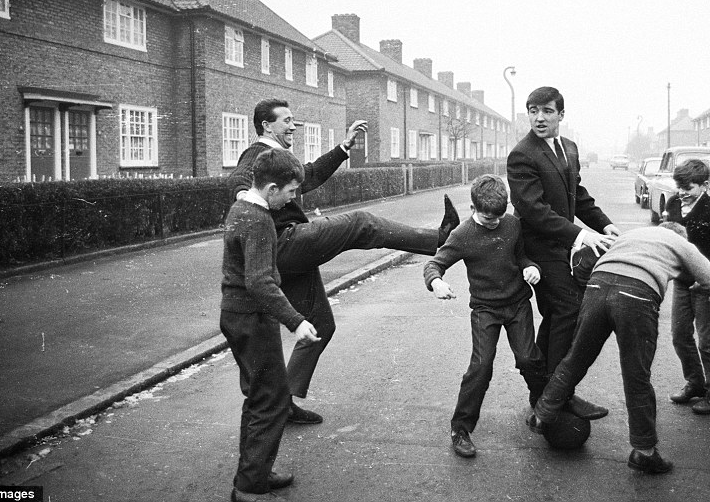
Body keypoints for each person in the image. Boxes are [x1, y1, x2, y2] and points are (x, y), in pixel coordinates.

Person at [228, 98, 460, 424]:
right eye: (287, 120)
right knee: (361, 224)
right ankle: (439, 238)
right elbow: (238, 178)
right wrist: (246, 199)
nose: (293, 125)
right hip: (284, 244)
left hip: (293, 251)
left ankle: (283, 403)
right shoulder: (257, 154)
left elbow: (308, 175)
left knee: (321, 325)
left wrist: (343, 147)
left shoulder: (279, 158)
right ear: (266, 125)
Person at [528, 222, 710, 474]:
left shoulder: (631, 234)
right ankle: (644, 451)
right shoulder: (678, 241)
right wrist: (695, 284)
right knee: (636, 375)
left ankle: (541, 414)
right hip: (637, 295)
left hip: (597, 285)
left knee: (575, 358)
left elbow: (587, 262)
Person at [507, 86, 620, 420]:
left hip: (563, 247)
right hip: (538, 250)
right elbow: (533, 210)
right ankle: (558, 395)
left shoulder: (568, 147)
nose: (539, 117)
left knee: (558, 317)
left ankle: (543, 392)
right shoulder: (522, 154)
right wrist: (583, 235)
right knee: (568, 313)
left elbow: (577, 194)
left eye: (546, 110)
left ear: (560, 115)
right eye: (533, 110)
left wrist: (603, 223)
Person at [423, 175, 548, 459]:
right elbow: (434, 263)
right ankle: (460, 429)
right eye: (486, 217)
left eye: (497, 217)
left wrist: (532, 269)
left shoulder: (513, 224)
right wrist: (436, 282)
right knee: (481, 366)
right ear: (471, 208)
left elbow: (523, 257)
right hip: (485, 310)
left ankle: (544, 402)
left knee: (529, 357)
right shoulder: (463, 234)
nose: (493, 222)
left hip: (517, 304)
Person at [219, 148, 320, 501]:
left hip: (236, 315)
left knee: (261, 395)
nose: (293, 198)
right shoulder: (259, 219)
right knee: (271, 399)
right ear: (273, 188)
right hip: (252, 318)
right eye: (291, 191)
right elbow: (260, 282)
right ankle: (248, 487)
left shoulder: (240, 207)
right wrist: (296, 321)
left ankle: (257, 471)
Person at [663, 159, 710, 415]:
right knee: (680, 335)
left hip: (706, 287)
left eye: (689, 187)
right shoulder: (673, 203)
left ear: (705, 185)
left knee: (707, 342)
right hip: (683, 283)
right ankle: (695, 383)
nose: (682, 191)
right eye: (680, 185)